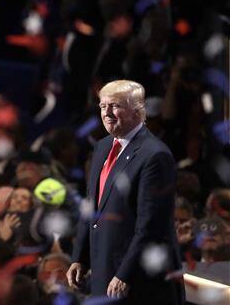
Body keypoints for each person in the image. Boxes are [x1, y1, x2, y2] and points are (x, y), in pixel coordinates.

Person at [66, 80, 184, 303]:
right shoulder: (102, 147)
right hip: (104, 269)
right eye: (103, 106)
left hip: (137, 280)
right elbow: (92, 204)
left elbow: (151, 225)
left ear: (138, 110)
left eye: (115, 106)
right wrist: (79, 257)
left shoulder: (155, 156)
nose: (107, 113)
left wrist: (125, 273)